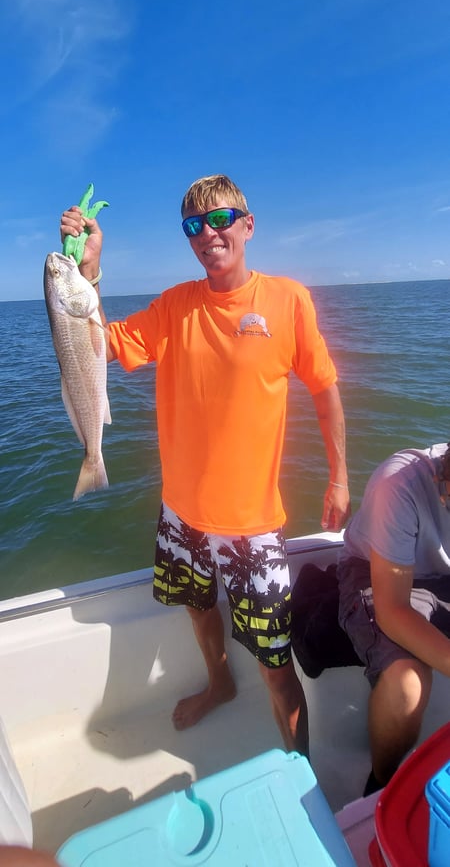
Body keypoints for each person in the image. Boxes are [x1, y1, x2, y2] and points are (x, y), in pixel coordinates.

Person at [60, 173, 349, 757]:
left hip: (252, 527)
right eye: (195, 225)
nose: (208, 234)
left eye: (220, 219)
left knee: (274, 663)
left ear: (247, 224)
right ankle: (218, 683)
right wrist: (88, 268)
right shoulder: (175, 306)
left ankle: (301, 777)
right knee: (197, 609)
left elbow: (325, 389)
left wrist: (340, 476)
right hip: (181, 517)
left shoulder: (289, 300)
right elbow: (103, 346)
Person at [337, 442, 450, 795]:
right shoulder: (398, 485)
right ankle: (382, 784)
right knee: (408, 686)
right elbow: (393, 612)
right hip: (382, 574)